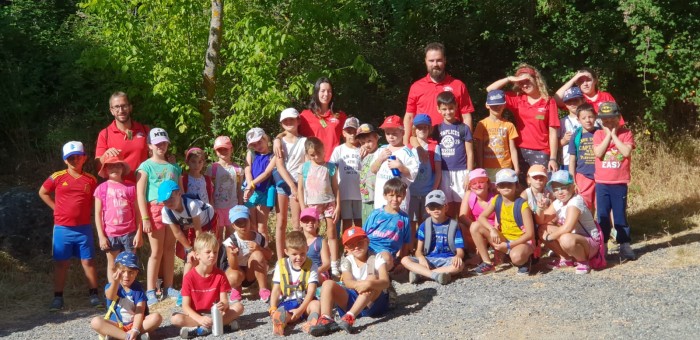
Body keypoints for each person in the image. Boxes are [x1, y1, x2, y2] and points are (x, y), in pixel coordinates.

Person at [39, 141, 100, 311]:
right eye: (70, 158)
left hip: (83, 228)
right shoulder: (57, 176)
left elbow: (97, 199)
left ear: (84, 158)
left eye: (77, 157)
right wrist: (55, 207)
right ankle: (58, 298)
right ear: (65, 160)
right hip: (62, 228)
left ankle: (94, 295)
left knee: (88, 261)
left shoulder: (91, 179)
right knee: (61, 263)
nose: (74, 160)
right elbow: (42, 192)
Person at [309, 227, 391, 336]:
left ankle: (350, 317)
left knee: (372, 279)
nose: (356, 247)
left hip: (373, 302)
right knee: (327, 283)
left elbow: (385, 282)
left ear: (367, 241)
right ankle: (326, 318)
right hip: (354, 297)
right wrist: (360, 285)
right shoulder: (347, 261)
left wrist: (368, 284)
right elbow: (347, 282)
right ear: (346, 249)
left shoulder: (377, 258)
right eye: (352, 245)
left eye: (360, 243)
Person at [135, 128, 183, 305]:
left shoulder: (174, 167)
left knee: (170, 249)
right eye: (157, 143)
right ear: (150, 145)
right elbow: (140, 194)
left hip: (173, 209)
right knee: (156, 251)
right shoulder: (145, 166)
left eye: (163, 143)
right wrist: (145, 218)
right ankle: (150, 290)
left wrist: (182, 212)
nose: (161, 146)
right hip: (155, 209)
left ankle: (168, 286)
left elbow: (180, 191)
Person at [486, 64, 560, 173]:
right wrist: (509, 78)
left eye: (527, 80)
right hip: (520, 151)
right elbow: (490, 90)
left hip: (541, 151)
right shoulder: (518, 100)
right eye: (521, 83)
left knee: (540, 186)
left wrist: (553, 158)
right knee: (521, 187)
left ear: (536, 79)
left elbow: (553, 131)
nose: (525, 85)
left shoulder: (548, 101)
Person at [171, 233, 244, 339]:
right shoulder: (189, 277)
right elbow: (185, 306)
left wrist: (223, 305)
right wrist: (200, 319)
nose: (212, 255)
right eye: (208, 252)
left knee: (239, 306)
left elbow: (225, 301)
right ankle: (220, 326)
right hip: (196, 316)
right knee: (175, 319)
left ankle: (202, 329)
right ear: (197, 255)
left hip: (216, 314)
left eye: (215, 252)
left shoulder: (220, 274)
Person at [404, 42, 475, 145]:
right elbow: (409, 117)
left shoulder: (458, 85)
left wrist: (466, 142)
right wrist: (406, 144)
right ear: (425, 61)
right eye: (431, 61)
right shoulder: (416, 87)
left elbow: (466, 116)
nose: (435, 64)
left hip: (453, 144)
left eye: (439, 60)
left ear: (445, 60)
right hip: (424, 145)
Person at [158, 179, 217, 303]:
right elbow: (177, 233)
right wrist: (190, 250)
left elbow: (198, 229)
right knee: (189, 257)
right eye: (165, 201)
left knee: (206, 252)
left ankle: (211, 284)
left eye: (171, 198)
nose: (168, 202)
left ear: (179, 194)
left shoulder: (191, 205)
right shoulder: (166, 211)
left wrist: (198, 250)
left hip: (207, 221)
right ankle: (185, 291)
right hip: (189, 224)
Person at [536, 171, 603, 274]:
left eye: (563, 187)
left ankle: (583, 262)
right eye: (556, 189)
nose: (560, 192)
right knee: (543, 228)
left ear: (572, 187)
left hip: (590, 243)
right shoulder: (558, 203)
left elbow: (568, 228)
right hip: (574, 239)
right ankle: (566, 259)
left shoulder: (576, 201)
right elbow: (541, 220)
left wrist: (548, 238)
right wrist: (540, 209)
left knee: (565, 238)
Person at [471, 169, 536, 275]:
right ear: (497, 187)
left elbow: (530, 234)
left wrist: (509, 246)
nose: (506, 187)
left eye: (509, 184)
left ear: (516, 185)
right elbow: (482, 217)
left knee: (516, 257)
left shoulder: (522, 205)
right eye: (502, 185)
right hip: (504, 239)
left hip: (522, 241)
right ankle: (487, 263)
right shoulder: (497, 199)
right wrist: (492, 229)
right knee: (475, 226)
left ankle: (525, 260)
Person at [593, 102, 636, 260]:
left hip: (619, 182)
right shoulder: (598, 134)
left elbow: (625, 151)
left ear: (618, 118)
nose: (609, 123)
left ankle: (624, 244)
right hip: (602, 182)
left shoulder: (626, 133)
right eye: (605, 120)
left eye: (612, 119)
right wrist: (608, 136)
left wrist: (614, 135)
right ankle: (602, 245)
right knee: (602, 215)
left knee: (619, 215)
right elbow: (598, 153)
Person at [90, 252, 163, 340]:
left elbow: (139, 311)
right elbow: (110, 296)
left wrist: (135, 329)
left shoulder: (138, 289)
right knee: (95, 322)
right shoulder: (111, 286)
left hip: (135, 324)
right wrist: (115, 282)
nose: (126, 276)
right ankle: (128, 337)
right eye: (123, 271)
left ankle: (123, 336)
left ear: (136, 273)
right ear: (116, 270)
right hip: (116, 325)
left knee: (156, 317)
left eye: (130, 272)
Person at [93, 154, 142, 283]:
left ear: (122, 167)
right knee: (112, 265)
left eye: (117, 165)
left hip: (130, 232)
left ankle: (130, 292)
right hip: (110, 234)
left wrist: (139, 233)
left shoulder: (130, 188)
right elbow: (98, 214)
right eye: (111, 166)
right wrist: (101, 236)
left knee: (131, 264)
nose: (114, 168)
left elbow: (138, 212)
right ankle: (113, 294)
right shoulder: (101, 189)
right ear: (105, 169)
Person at [401, 190, 465, 285]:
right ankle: (437, 275)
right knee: (405, 260)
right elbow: (418, 251)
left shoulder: (453, 225)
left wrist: (458, 256)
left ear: (446, 207)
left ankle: (422, 274)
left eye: (439, 206)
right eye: (432, 207)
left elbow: (460, 250)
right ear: (427, 210)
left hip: (447, 259)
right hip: (429, 259)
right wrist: (421, 257)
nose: (435, 209)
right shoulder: (424, 225)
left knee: (460, 265)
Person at [269, 231, 321, 336]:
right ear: (286, 252)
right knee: (284, 313)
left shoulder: (312, 266)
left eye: (302, 254)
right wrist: (273, 307)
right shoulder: (281, 265)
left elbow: (311, 291)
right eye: (294, 254)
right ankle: (280, 323)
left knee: (316, 304)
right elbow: (276, 289)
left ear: (307, 249)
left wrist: (301, 310)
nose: (299, 257)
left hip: (305, 302)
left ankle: (311, 323)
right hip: (288, 302)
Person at [431, 91, 474, 217]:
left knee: (463, 210)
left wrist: (469, 174)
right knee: (447, 208)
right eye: (444, 109)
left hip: (461, 172)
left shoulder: (463, 128)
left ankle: (462, 234)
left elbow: (470, 153)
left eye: (451, 108)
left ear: (456, 107)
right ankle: (450, 233)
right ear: (438, 109)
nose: (448, 112)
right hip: (443, 172)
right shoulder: (436, 129)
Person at [273, 108, 307, 259]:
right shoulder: (279, 142)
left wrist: (297, 186)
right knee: (281, 222)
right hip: (283, 183)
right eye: (285, 120)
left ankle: (297, 257)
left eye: (292, 119)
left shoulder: (305, 141)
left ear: (298, 121)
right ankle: (281, 259)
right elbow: (279, 165)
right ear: (281, 123)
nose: (289, 123)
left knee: (296, 224)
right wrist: (292, 186)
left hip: (298, 183)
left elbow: (306, 164)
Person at [95, 92, 150, 183]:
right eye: (116, 107)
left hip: (143, 188)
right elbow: (97, 166)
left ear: (130, 107)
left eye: (124, 106)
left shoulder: (145, 130)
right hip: (118, 190)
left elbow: (155, 157)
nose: (121, 110)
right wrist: (105, 156)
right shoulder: (105, 134)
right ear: (111, 110)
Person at [222, 205, 272, 303]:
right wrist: (233, 255)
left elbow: (269, 255)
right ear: (233, 226)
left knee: (258, 254)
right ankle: (236, 288)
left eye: (244, 221)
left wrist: (259, 248)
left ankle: (263, 289)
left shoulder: (259, 237)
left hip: (251, 273)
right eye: (238, 223)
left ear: (249, 220)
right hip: (237, 272)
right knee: (233, 277)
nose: (242, 225)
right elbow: (233, 266)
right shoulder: (231, 242)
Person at [371, 115, 419, 212]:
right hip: (381, 200)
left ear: (402, 132)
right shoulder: (381, 149)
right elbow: (373, 169)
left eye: (394, 133)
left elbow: (413, 174)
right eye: (388, 133)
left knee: (398, 224)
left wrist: (400, 167)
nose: (391, 136)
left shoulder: (408, 153)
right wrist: (380, 159)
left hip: (398, 201)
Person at [408, 114, 442, 248]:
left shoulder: (434, 147)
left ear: (429, 129)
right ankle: (410, 247)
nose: (422, 130)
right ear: (414, 129)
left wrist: (434, 189)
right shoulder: (409, 147)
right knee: (411, 221)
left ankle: (425, 247)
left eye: (425, 128)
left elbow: (438, 171)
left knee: (426, 221)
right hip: (412, 191)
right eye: (419, 127)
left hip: (427, 190)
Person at [294, 77, 348, 161]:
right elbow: (290, 134)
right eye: (322, 91)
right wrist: (277, 140)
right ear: (316, 92)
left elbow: (349, 138)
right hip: (312, 164)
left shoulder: (339, 115)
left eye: (329, 91)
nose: (326, 94)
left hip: (333, 163)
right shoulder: (305, 115)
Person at [363, 178, 411, 270]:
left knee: (386, 258)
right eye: (391, 195)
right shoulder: (376, 214)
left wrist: (400, 261)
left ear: (404, 196)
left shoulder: (404, 219)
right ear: (385, 195)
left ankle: (372, 275)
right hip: (369, 248)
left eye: (398, 196)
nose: (395, 199)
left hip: (386, 253)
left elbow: (406, 242)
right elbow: (363, 234)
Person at [474, 89, 520, 181]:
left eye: (499, 105)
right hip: (488, 167)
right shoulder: (482, 124)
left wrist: (517, 168)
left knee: (505, 191)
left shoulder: (509, 125)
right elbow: (479, 148)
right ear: (487, 105)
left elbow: (512, 148)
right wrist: (481, 167)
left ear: (504, 105)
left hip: (505, 167)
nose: (497, 107)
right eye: (493, 105)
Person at [206, 136, 243, 239]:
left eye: (225, 149)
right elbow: (208, 189)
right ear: (215, 151)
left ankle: (228, 255)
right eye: (219, 149)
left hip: (233, 207)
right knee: (217, 234)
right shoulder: (212, 169)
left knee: (231, 234)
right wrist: (211, 205)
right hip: (217, 207)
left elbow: (239, 189)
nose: (223, 151)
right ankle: (218, 254)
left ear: (231, 149)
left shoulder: (238, 169)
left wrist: (240, 206)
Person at [243, 127, 277, 240]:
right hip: (251, 192)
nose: (258, 146)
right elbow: (247, 170)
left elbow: (267, 173)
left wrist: (251, 185)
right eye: (254, 144)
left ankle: (264, 250)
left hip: (265, 192)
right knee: (252, 225)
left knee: (262, 227)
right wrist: (249, 186)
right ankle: (254, 250)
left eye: (259, 142)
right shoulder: (251, 154)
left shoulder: (273, 156)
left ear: (265, 138)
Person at [330, 117, 363, 228]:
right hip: (344, 192)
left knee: (360, 221)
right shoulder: (339, 150)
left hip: (361, 193)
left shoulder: (363, 149)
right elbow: (331, 170)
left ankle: (360, 243)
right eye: (349, 132)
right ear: (344, 133)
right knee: (347, 222)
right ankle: (347, 245)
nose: (352, 135)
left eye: (355, 132)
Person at [458, 168, 496, 256]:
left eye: (481, 182)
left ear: (488, 183)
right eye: (474, 183)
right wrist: (476, 228)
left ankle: (496, 251)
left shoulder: (495, 195)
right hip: (476, 229)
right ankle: (474, 254)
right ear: (470, 186)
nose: (478, 185)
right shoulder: (469, 194)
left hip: (494, 231)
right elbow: (462, 216)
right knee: (461, 226)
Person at [568, 103, 599, 210]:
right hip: (583, 175)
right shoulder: (576, 136)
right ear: (578, 120)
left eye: (590, 116)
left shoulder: (601, 133)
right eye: (584, 118)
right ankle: (589, 226)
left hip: (601, 175)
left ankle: (603, 226)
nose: (588, 120)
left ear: (595, 117)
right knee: (585, 205)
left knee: (601, 204)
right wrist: (572, 180)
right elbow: (572, 160)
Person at [556, 86, 585, 171]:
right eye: (569, 101)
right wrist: (564, 140)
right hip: (567, 162)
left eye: (576, 100)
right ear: (565, 104)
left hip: (587, 162)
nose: (572, 103)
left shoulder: (592, 120)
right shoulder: (561, 122)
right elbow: (553, 145)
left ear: (582, 100)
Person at [356, 123, 381, 222]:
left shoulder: (380, 152)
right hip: (365, 197)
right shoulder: (364, 155)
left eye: (369, 141)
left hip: (376, 197)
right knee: (366, 224)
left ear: (376, 137)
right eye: (363, 143)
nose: (366, 145)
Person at [300, 207, 331, 281]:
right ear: (300, 223)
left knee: (312, 278)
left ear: (318, 223)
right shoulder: (298, 240)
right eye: (306, 220)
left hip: (319, 272)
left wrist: (314, 272)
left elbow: (327, 264)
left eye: (313, 220)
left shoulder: (321, 241)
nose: (310, 222)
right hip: (301, 272)